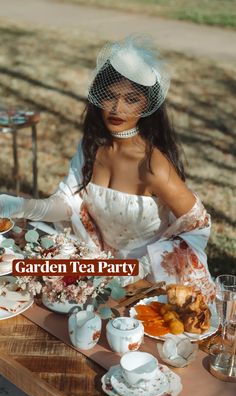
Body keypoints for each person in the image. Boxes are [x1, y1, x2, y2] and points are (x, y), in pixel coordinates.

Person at [0, 35, 215, 301]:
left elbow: (198, 227)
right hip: (98, 269)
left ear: (147, 105)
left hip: (148, 282)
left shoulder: (154, 166)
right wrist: (17, 205)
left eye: (131, 99)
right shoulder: (90, 146)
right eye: (110, 97)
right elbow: (67, 204)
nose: (117, 108)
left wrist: (143, 273)